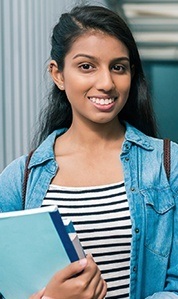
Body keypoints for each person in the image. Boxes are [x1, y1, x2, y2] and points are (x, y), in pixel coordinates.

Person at [0, 4, 178, 299]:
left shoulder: (167, 165)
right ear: (57, 74)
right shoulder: (18, 179)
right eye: (86, 66)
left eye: (118, 67)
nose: (106, 83)